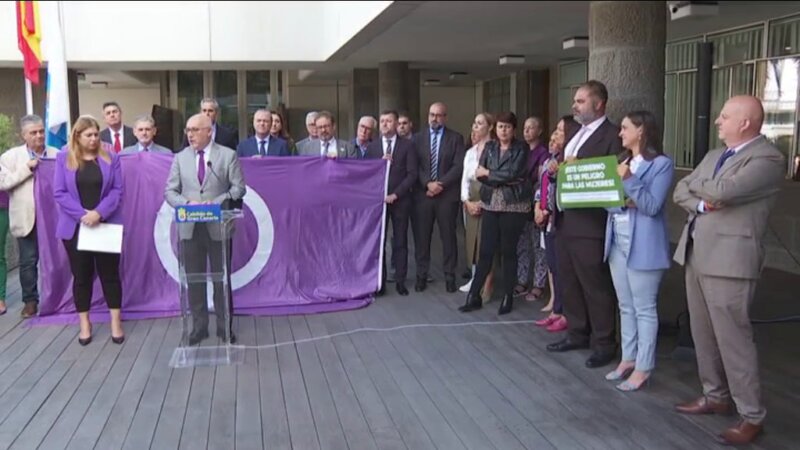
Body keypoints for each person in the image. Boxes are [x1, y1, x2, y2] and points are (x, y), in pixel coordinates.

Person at [672, 95, 785, 446]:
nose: (717, 122)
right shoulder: (713, 156)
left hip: (731, 261)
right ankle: (715, 395)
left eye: (724, 116)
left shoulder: (768, 159)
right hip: (696, 253)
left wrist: (701, 187)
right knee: (703, 333)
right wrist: (703, 203)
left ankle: (751, 415)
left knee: (734, 340)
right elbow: (680, 189)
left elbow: (725, 191)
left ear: (745, 123)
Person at [546, 80, 623, 370]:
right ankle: (577, 332)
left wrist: (578, 167)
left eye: (580, 101)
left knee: (594, 285)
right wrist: (558, 168)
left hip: (591, 223)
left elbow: (612, 173)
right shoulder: (576, 133)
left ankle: (604, 342)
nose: (574, 106)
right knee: (569, 280)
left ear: (599, 104)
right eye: (575, 101)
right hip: (565, 219)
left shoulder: (612, 135)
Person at [602, 110, 674, 391]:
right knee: (625, 305)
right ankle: (628, 358)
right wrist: (626, 200)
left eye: (625, 128)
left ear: (641, 130)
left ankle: (644, 367)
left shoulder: (661, 165)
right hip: (617, 242)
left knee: (644, 308)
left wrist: (630, 180)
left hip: (644, 245)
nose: (620, 133)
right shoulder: (622, 161)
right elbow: (608, 200)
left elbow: (652, 206)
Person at [166, 113, 246, 346]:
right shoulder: (180, 157)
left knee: (222, 280)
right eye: (187, 130)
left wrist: (217, 201)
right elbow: (170, 191)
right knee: (194, 279)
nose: (190, 134)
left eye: (195, 130)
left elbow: (239, 188)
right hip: (190, 228)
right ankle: (199, 327)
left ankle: (224, 327)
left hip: (219, 226)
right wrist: (186, 203)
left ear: (209, 131)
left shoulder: (227, 155)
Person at [53, 115, 125, 345]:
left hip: (105, 225)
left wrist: (99, 213)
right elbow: (59, 192)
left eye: (96, 134)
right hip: (75, 229)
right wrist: (83, 215)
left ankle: (115, 322)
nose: (94, 139)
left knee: (110, 275)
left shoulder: (111, 158)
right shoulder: (63, 158)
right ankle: (85, 323)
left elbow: (117, 190)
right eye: (89, 135)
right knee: (82, 277)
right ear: (77, 136)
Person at [459, 112, 531, 315]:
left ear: (514, 129)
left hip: (512, 205)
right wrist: (499, 177)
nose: (503, 131)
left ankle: (508, 296)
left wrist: (491, 174)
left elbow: (514, 173)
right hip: (490, 203)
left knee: (508, 252)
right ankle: (474, 296)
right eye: (500, 126)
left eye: (507, 127)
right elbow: (479, 174)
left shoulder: (521, 147)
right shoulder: (490, 147)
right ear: (495, 128)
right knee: (485, 251)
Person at [0, 114, 60, 318]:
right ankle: (30, 302)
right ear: (23, 135)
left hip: (52, 217)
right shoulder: (10, 157)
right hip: (26, 217)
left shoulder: (56, 154)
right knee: (28, 262)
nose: (39, 135)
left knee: (56, 260)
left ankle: (56, 298)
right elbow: (4, 183)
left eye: (41, 131)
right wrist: (27, 168)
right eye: (33, 132)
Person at [413, 102, 466, 293]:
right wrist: (428, 184)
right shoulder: (417, 138)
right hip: (424, 195)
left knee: (448, 237)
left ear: (445, 117)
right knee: (422, 238)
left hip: (446, 195)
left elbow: (458, 166)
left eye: (438, 115)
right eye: (431, 114)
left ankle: (450, 276)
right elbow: (415, 166)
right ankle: (421, 275)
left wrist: (440, 184)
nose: (434, 118)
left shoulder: (456, 138)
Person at [364, 110, 418, 296]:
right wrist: (379, 164)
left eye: (389, 121)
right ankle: (380, 281)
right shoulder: (372, 147)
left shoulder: (407, 146)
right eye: (382, 121)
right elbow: (366, 174)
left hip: (400, 200)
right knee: (379, 242)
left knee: (400, 241)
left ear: (396, 124)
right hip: (379, 201)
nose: (385, 124)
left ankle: (401, 281)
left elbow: (412, 174)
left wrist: (396, 194)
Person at [533, 116, 577, 332]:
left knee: (563, 268)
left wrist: (549, 210)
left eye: (561, 130)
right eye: (556, 129)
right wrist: (538, 208)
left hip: (560, 219)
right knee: (553, 266)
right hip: (546, 219)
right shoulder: (551, 159)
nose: (556, 134)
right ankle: (557, 309)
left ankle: (566, 312)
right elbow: (541, 187)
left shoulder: (569, 160)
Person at [459, 113, 496, 299]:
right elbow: (465, 179)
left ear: (490, 127)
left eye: (480, 123)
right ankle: (475, 278)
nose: (475, 126)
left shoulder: (496, 149)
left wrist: (484, 202)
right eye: (474, 123)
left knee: (487, 243)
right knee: (472, 242)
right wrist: (466, 201)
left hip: (489, 199)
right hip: (471, 199)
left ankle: (488, 281)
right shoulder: (470, 152)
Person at [515, 116, 550, 301]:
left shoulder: (543, 153)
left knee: (538, 246)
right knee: (522, 245)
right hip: (519, 203)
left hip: (534, 202)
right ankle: (522, 279)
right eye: (525, 127)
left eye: (531, 127)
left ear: (539, 130)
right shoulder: (520, 150)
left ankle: (538, 284)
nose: (527, 131)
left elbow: (541, 178)